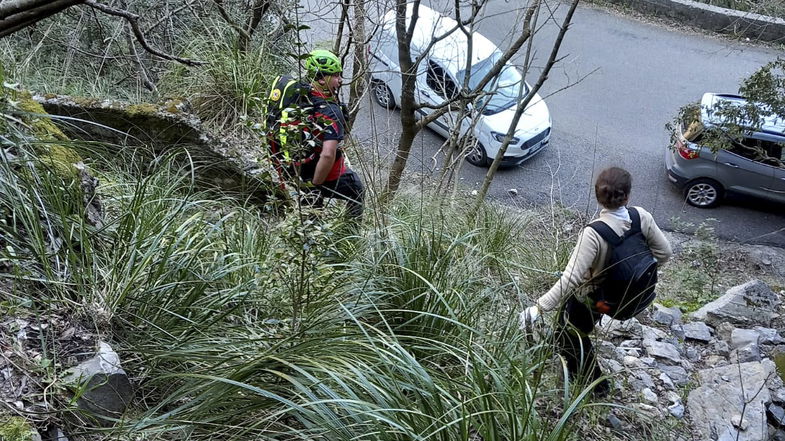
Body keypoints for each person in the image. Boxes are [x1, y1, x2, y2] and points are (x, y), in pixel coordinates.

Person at [521, 167, 672, 395]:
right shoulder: (641, 217)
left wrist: (538, 308)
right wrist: (631, 276)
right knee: (569, 325)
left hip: (591, 299)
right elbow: (664, 253)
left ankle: (596, 386)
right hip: (613, 299)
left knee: (576, 336)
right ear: (627, 196)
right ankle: (559, 347)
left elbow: (571, 278)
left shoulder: (594, 234)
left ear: (598, 197)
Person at [288, 49, 364, 219]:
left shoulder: (299, 94)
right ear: (322, 79)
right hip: (316, 173)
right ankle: (350, 234)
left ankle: (309, 226)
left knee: (311, 213)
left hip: (294, 166)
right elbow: (328, 155)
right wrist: (315, 184)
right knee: (357, 189)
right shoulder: (330, 112)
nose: (340, 80)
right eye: (336, 76)